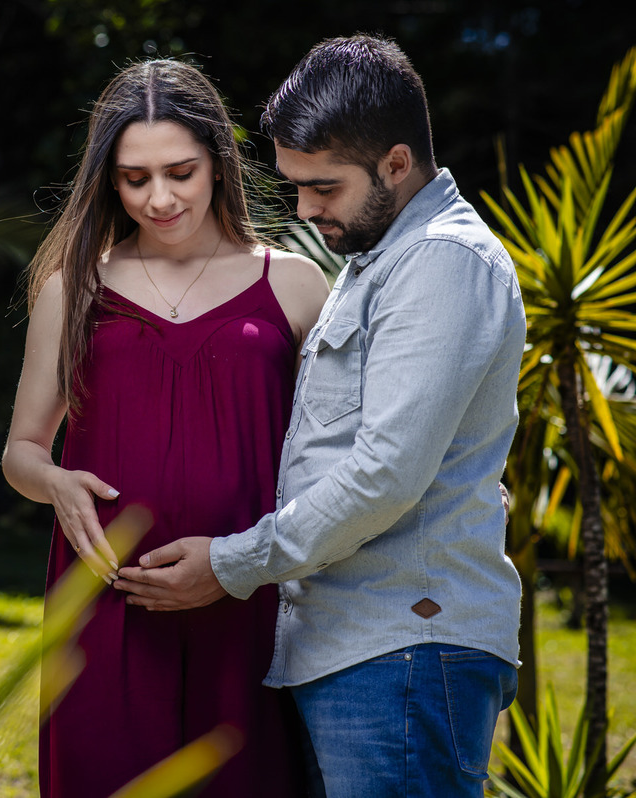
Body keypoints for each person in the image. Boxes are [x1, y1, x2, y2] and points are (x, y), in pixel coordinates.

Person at [114, 35, 525, 798]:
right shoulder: (381, 262)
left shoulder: (442, 260)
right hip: (354, 650)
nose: (304, 209)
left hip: (402, 647)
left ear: (397, 165)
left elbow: (387, 473)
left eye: (324, 188)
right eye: (296, 185)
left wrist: (230, 565)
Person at [0, 58, 330, 796]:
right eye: (134, 178)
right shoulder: (73, 288)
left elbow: (342, 461)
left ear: (217, 160)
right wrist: (52, 481)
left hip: (250, 606)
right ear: (108, 181)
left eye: (179, 171)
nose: (159, 198)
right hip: (105, 609)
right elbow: (20, 451)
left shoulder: (299, 285)